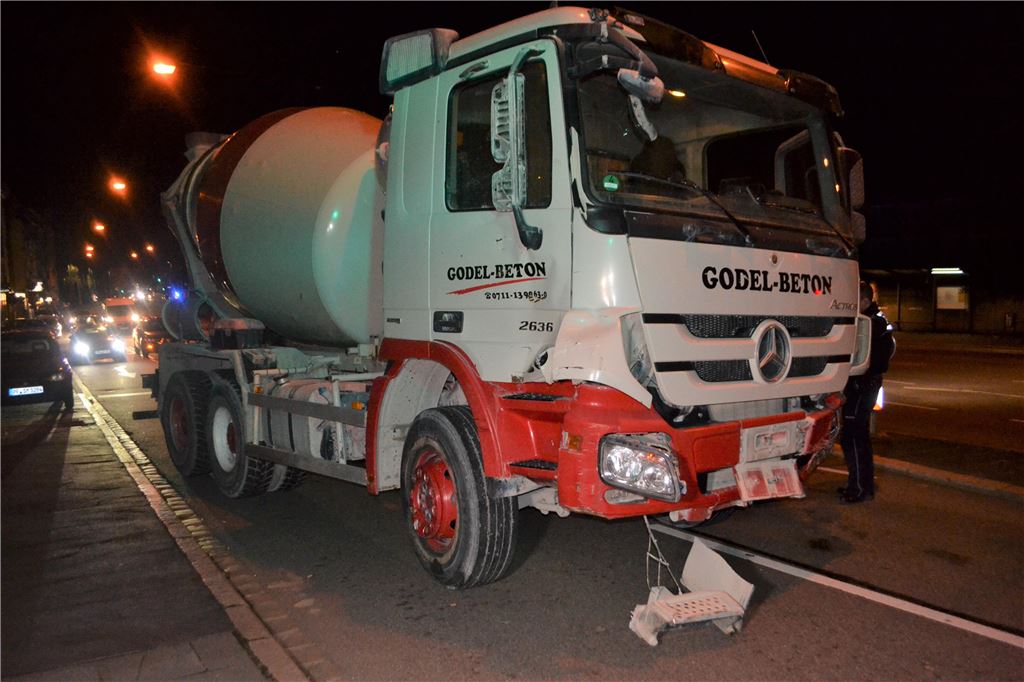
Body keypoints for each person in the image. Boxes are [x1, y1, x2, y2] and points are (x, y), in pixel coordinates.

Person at [838, 282, 895, 504]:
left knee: (853, 437)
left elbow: (858, 356)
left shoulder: (868, 323)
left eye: (854, 301)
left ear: (864, 301)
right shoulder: (879, 321)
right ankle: (862, 485)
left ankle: (859, 487)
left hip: (861, 385)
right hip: (867, 385)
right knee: (858, 436)